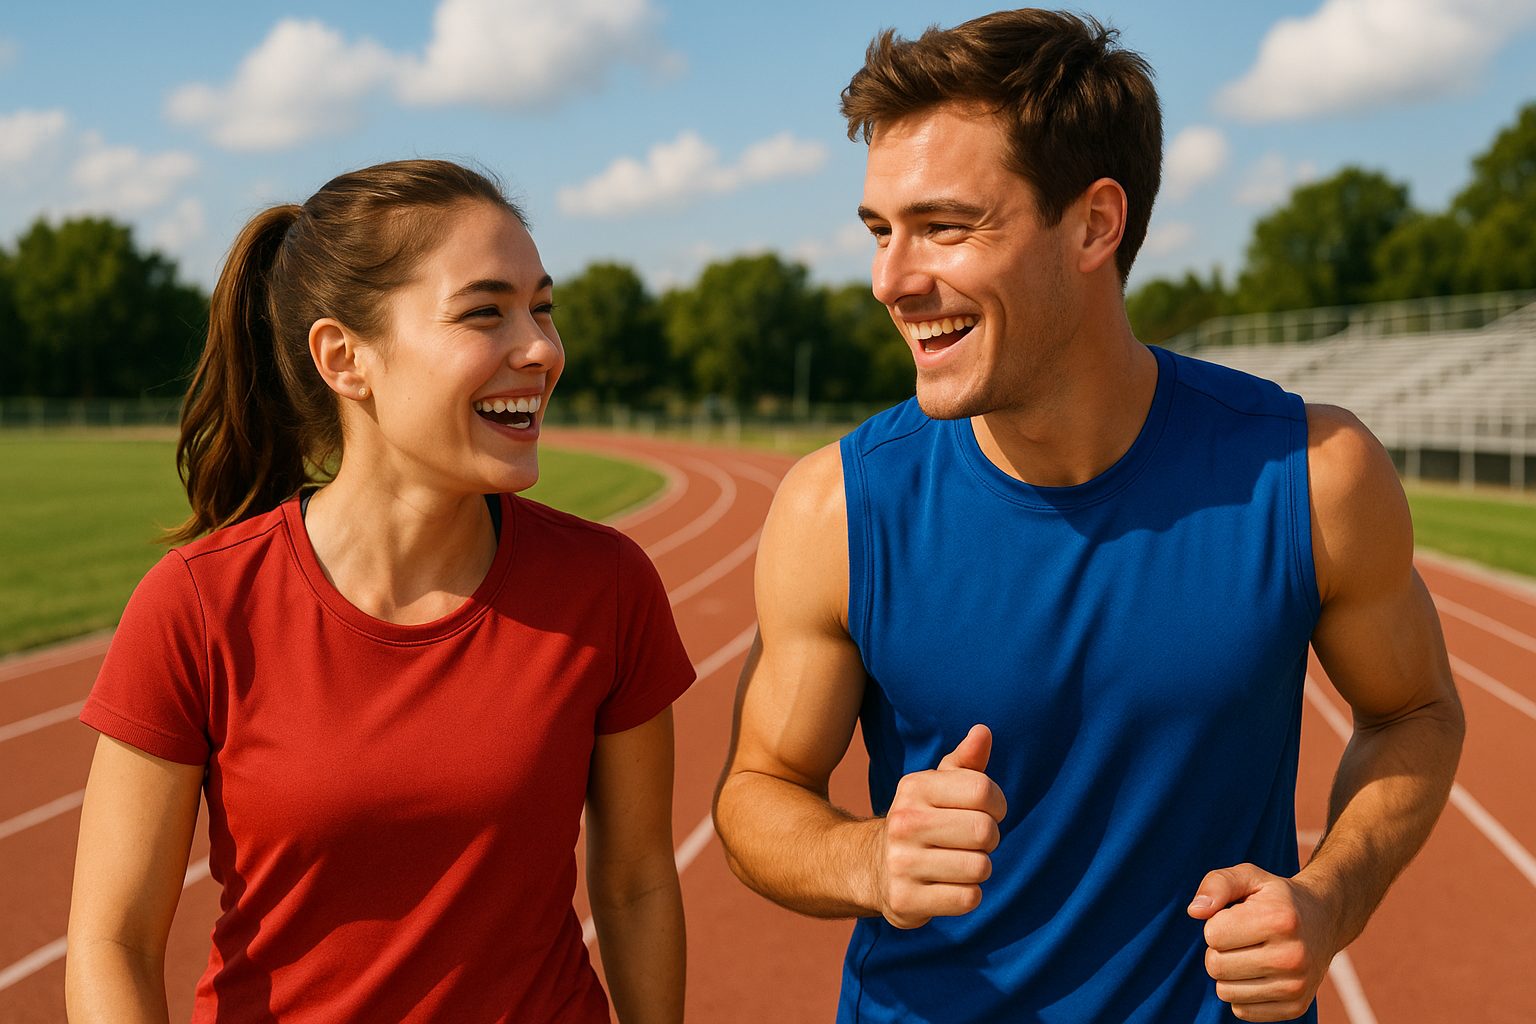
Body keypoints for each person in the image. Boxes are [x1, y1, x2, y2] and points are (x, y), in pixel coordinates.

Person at [713, 10, 1464, 1023]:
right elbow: (758, 790)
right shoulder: (836, 507)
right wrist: (867, 854)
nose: (891, 280)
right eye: (880, 231)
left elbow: (1416, 711)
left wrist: (1331, 898)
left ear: (1095, 225)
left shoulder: (1313, 474)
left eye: (945, 225)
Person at [66, 159, 693, 1023]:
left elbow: (635, 885)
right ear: (343, 357)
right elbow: (113, 943)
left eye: (541, 307)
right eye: (485, 312)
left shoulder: (608, 587)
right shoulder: (197, 607)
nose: (542, 347)